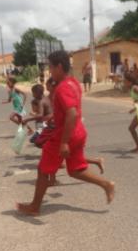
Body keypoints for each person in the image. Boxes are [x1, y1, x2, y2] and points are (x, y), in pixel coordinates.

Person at [15, 50, 114, 216]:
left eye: (51, 68)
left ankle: (34, 207)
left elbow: (72, 114)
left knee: (43, 170)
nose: (50, 72)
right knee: (75, 169)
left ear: (59, 67)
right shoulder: (74, 83)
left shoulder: (62, 88)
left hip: (65, 134)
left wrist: (64, 142)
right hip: (78, 132)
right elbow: (70, 110)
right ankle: (106, 184)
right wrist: (56, 117)